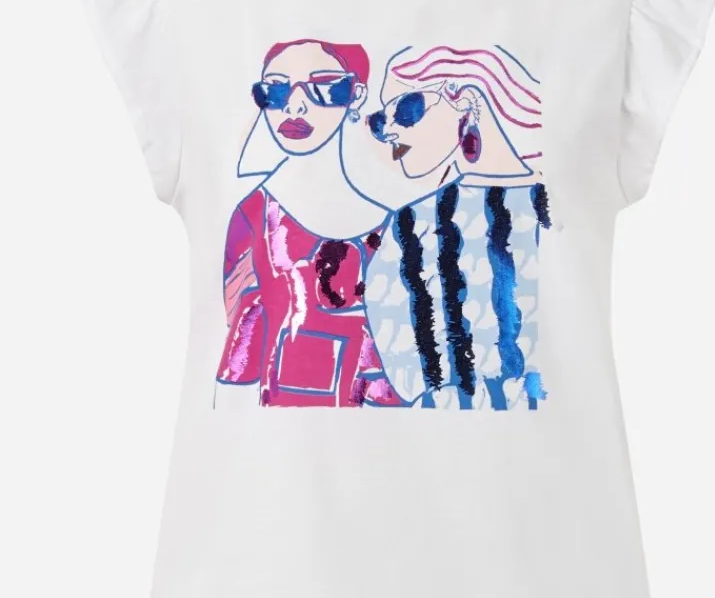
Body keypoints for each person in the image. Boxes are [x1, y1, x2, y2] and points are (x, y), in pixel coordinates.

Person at [364, 45, 552, 409]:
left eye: (405, 111)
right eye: (379, 120)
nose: (388, 131)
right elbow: (406, 372)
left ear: (464, 100)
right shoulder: (410, 226)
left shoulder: (554, 207)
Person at [216, 38, 399, 407]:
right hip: (285, 418)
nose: (295, 105)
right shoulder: (255, 217)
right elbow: (240, 354)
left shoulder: (397, 223)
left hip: (392, 421)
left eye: (324, 87)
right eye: (276, 89)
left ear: (356, 95)